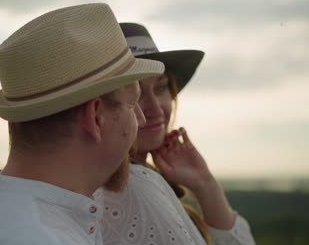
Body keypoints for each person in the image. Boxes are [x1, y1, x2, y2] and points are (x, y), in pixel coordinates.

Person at [0, 4, 164, 245]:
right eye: (132, 103)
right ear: (96, 116)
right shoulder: (39, 236)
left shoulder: (4, 215)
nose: (142, 119)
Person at [94, 23, 255, 245]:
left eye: (161, 88)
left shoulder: (122, 179)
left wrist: (204, 183)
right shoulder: (133, 185)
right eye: (136, 92)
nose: (155, 108)